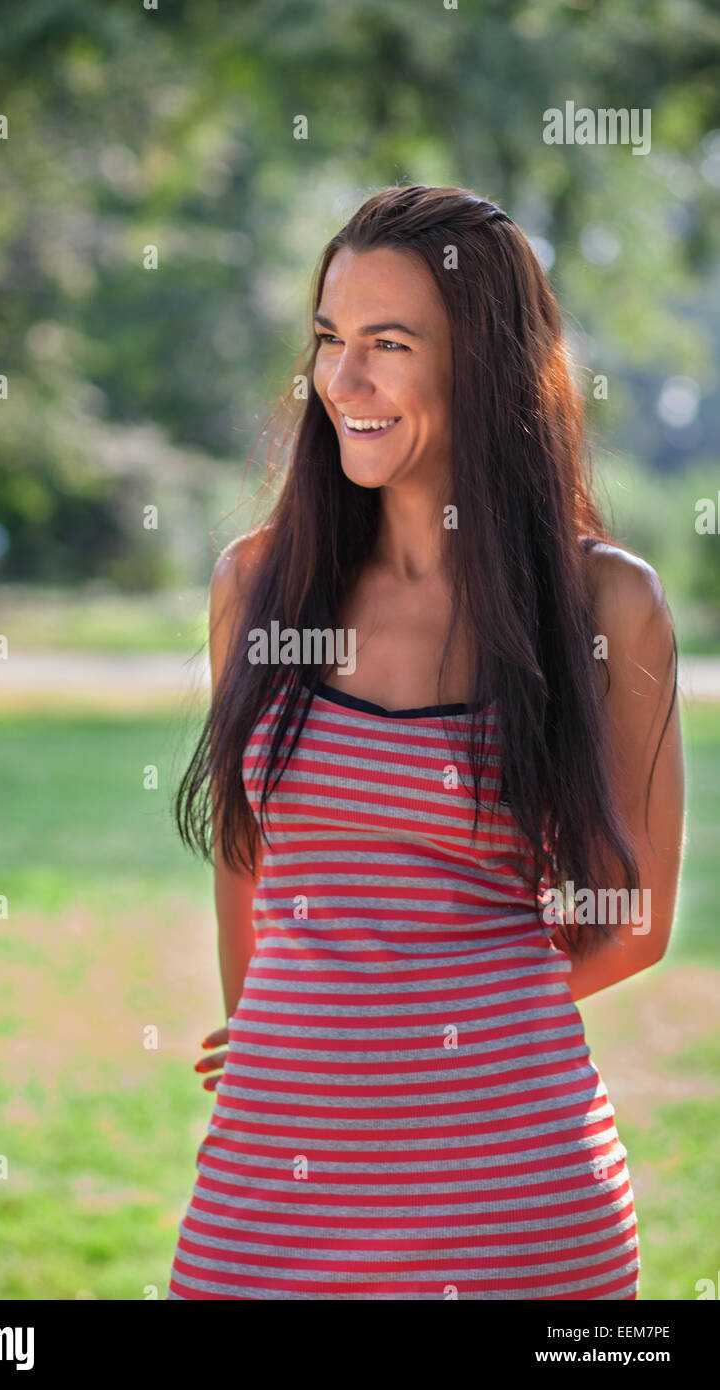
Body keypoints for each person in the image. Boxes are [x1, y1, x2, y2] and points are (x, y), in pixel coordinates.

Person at [167, 185, 685, 1300]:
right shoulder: (257, 583)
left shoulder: (608, 606)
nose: (340, 383)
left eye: (387, 345)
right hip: (274, 1174)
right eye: (328, 340)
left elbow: (633, 920)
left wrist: (405, 1024)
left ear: (484, 364)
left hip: (514, 1192)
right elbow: (247, 860)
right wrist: (281, 1028)